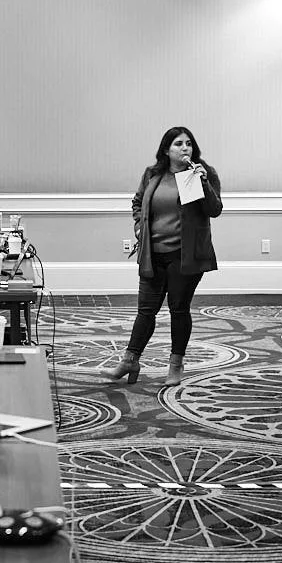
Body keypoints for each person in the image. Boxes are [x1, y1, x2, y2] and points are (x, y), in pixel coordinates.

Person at [101, 126, 222, 387]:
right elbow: (137, 202)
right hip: (152, 253)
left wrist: (203, 183)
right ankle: (129, 360)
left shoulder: (203, 173)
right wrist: (138, 226)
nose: (185, 148)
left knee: (179, 309)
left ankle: (175, 364)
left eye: (188, 143)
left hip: (184, 255)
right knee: (145, 311)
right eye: (178, 144)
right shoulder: (153, 175)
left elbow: (214, 210)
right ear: (166, 149)